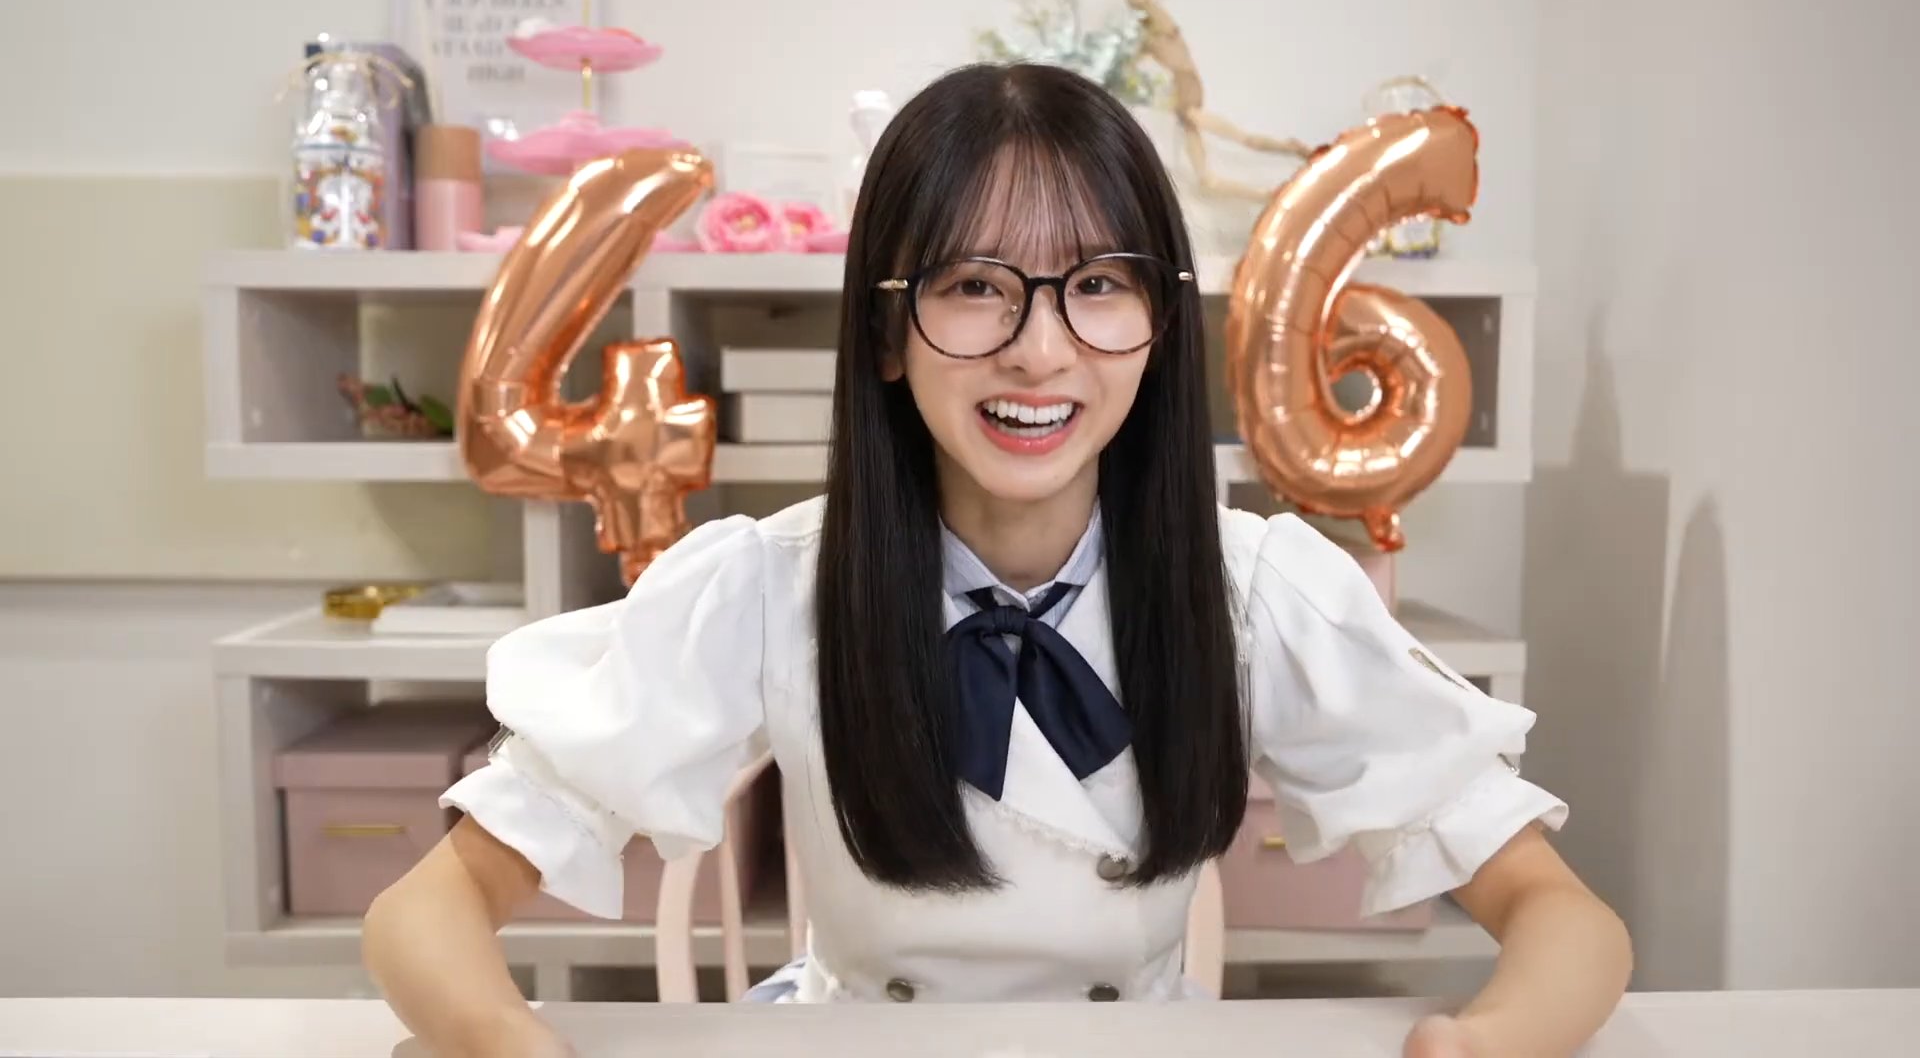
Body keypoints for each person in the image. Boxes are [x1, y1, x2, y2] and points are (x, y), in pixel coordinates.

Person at [363, 62, 1631, 1057]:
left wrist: (1479, 1044)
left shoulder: (1255, 591)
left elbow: (1565, 919)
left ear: (1158, 325)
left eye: (1099, 284)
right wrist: (510, 1044)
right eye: (975, 285)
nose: (1040, 349)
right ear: (887, 332)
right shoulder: (761, 585)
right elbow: (424, 912)